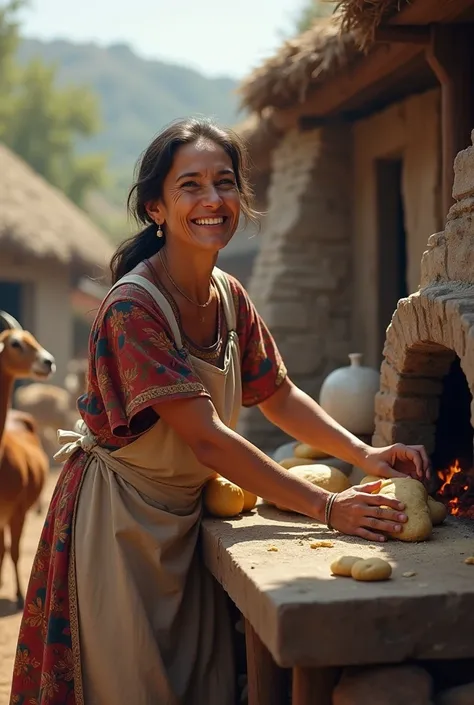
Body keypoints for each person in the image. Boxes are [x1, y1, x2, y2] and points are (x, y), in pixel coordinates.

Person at [10, 117, 430, 705]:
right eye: (190, 186)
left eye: (225, 183)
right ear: (155, 208)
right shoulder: (134, 309)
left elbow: (277, 393)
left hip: (185, 522)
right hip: (119, 530)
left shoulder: (230, 296)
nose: (213, 200)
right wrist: (326, 506)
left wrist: (366, 454)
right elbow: (207, 440)